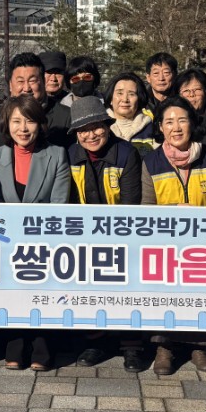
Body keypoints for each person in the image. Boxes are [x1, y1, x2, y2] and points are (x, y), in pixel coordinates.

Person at [142, 96, 206, 376]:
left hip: (205, 241)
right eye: (169, 122)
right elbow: (145, 208)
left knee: (201, 293)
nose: (176, 127)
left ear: (192, 123)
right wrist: (175, 211)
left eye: (182, 120)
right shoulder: (151, 161)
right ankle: (164, 347)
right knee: (166, 293)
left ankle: (200, 347)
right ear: (160, 127)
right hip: (165, 241)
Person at [0, 95, 71, 370]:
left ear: (40, 124)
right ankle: (15, 344)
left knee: (42, 292)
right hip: (8, 241)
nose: (23, 128)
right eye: (16, 121)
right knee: (12, 291)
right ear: (7, 125)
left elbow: (59, 204)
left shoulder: (57, 154)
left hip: (44, 239)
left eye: (29, 121)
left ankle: (42, 345)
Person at [67, 96, 146, 371]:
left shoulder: (126, 153)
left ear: (107, 125)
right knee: (90, 290)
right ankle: (96, 342)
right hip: (84, 237)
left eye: (96, 127)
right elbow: (69, 201)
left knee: (127, 289)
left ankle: (132, 346)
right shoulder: (70, 155)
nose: (90, 135)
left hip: (122, 234)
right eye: (82, 130)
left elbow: (131, 203)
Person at [9, 52, 71, 146]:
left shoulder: (66, 116)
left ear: (42, 82)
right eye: (20, 81)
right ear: (10, 85)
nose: (26, 88)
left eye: (32, 81)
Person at [106, 72, 155, 154]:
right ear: (111, 98)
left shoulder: (151, 128)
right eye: (120, 93)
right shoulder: (100, 127)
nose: (125, 99)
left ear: (139, 99)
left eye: (131, 94)